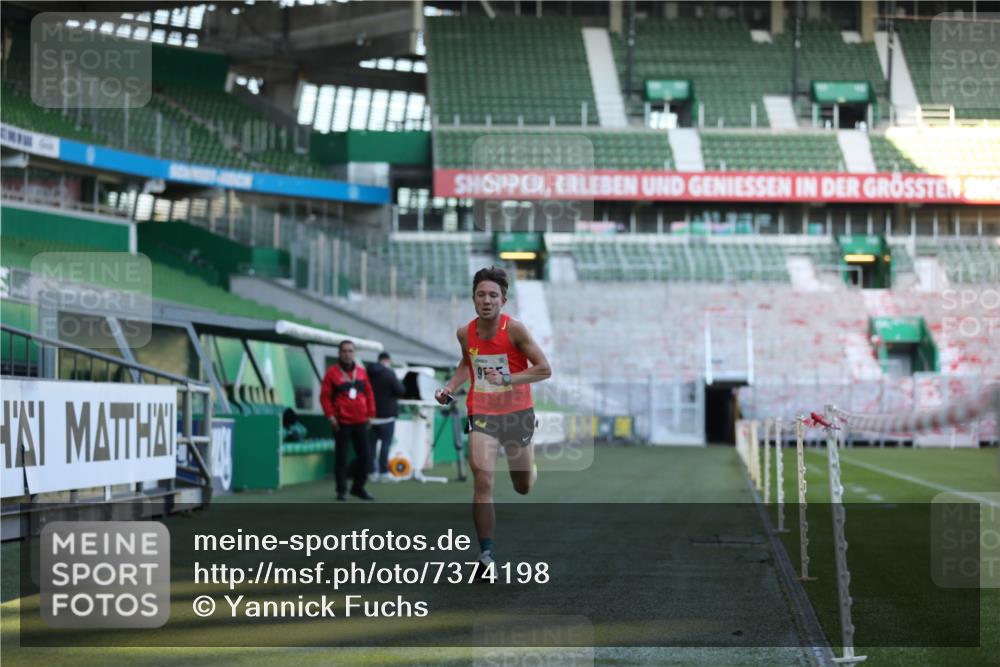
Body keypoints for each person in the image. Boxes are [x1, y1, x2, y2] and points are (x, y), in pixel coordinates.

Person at [434, 266, 552, 578]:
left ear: (503, 300)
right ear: (473, 299)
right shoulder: (464, 333)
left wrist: (508, 378)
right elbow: (466, 364)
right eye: (481, 295)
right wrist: (449, 387)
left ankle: (531, 469)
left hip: (517, 412)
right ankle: (486, 554)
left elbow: (543, 369)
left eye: (493, 295)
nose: (487, 300)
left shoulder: (515, 330)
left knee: (522, 485)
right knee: (483, 480)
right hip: (482, 411)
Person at [320, 340, 376, 501]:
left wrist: (371, 415)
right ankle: (341, 491)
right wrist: (330, 416)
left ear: (354, 353)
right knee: (341, 458)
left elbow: (369, 394)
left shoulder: (361, 372)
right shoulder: (332, 373)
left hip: (361, 420)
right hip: (341, 422)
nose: (347, 354)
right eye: (344, 351)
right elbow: (325, 397)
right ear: (339, 353)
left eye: (350, 351)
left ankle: (358, 487)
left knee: (365, 457)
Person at [366, 351, 406, 482]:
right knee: (385, 445)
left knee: (371, 445)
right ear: (387, 360)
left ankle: (371, 472)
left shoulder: (367, 373)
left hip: (370, 416)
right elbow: (400, 390)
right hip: (387, 416)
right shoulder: (389, 373)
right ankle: (383, 472)